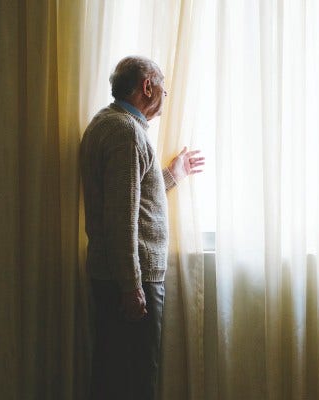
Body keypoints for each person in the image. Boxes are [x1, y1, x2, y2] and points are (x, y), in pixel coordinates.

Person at [80, 56, 204, 399]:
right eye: (163, 86)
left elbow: (130, 197)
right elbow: (122, 217)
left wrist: (172, 176)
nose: (166, 96)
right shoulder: (124, 131)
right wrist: (132, 286)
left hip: (117, 274)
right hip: (131, 279)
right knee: (135, 379)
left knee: (113, 374)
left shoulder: (110, 124)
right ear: (147, 86)